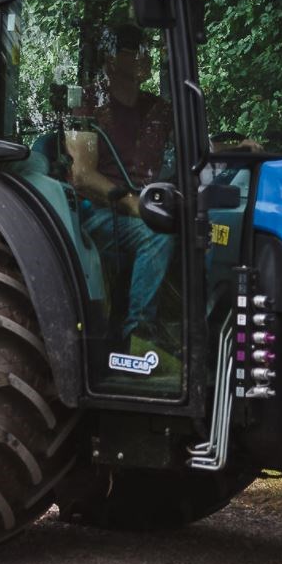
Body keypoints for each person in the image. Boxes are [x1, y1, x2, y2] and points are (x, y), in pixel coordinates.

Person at [65, 24, 176, 346]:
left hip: (147, 205)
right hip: (99, 211)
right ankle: (140, 337)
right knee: (157, 235)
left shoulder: (157, 109)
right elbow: (83, 176)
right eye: (134, 50)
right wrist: (133, 204)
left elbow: (194, 150)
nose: (145, 57)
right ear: (112, 59)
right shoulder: (87, 104)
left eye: (147, 49)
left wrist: (235, 149)